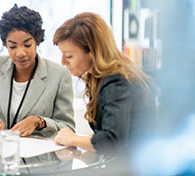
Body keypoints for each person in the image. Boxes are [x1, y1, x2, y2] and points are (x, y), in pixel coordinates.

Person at [53, 12, 157, 155]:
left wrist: (73, 139)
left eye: (69, 56)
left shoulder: (117, 82)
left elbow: (111, 140)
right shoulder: (99, 79)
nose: (63, 63)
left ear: (92, 51)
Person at [0, 4, 75, 139]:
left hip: (40, 156)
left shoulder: (59, 74)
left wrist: (40, 122)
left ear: (38, 41)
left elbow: (67, 127)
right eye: (12, 46)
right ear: (5, 44)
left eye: (27, 45)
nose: (20, 53)